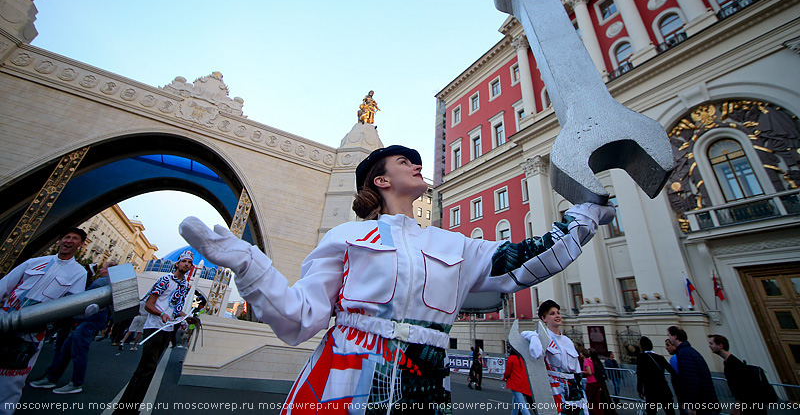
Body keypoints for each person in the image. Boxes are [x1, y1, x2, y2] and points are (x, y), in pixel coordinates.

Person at [179, 145, 615, 414]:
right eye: (406, 161)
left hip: (427, 385)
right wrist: (248, 264)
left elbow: (525, 259)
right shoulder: (346, 236)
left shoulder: (454, 244)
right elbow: (298, 319)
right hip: (345, 382)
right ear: (382, 179)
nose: (418, 165)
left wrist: (585, 216)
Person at [0, 228, 88, 414]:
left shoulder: (79, 272)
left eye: (74, 238)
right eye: (66, 236)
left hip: (30, 334)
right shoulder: (36, 262)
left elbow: (72, 303)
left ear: (80, 245)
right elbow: (5, 285)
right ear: (60, 240)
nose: (69, 240)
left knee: (12, 380)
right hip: (4, 320)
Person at [112, 251, 192, 415]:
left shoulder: (184, 286)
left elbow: (176, 310)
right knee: (146, 368)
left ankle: (133, 404)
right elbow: (149, 305)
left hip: (167, 330)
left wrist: (187, 318)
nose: (186, 265)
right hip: (154, 328)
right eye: (183, 261)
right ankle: (127, 408)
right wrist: (161, 314)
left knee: (150, 368)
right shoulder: (165, 280)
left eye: (189, 263)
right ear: (177, 264)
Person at [29, 261, 118, 394]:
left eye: (103, 268)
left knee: (79, 351)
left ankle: (76, 383)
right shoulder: (108, 283)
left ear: (108, 270)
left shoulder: (100, 283)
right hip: (94, 319)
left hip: (91, 320)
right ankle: (51, 378)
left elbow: (83, 300)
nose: (100, 270)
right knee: (66, 349)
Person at [522, 300, 588, 415]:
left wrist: (582, 395)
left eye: (558, 313)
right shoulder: (541, 338)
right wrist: (533, 336)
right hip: (555, 390)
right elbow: (524, 337)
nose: (557, 316)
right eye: (552, 314)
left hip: (573, 389)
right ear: (544, 318)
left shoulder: (567, 341)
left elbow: (577, 369)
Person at [707, 334, 777, 415]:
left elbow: (744, 387)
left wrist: (737, 407)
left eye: (711, 344)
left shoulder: (733, 363)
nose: (709, 346)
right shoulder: (730, 361)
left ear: (720, 345)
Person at [667, 326, 718, 415]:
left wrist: (692, 405)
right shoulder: (689, 351)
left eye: (669, 335)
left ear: (675, 337)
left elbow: (690, 380)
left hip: (701, 404)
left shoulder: (684, 353)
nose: (668, 338)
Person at [636, 336, 676, 415]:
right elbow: (671, 370)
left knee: (651, 412)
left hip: (651, 390)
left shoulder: (641, 358)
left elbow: (640, 375)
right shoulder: (660, 357)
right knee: (670, 412)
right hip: (664, 388)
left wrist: (640, 390)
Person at [503, 346, 532, 415]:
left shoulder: (511, 358)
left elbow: (507, 372)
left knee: (522, 406)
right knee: (516, 404)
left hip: (515, 384)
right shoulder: (523, 358)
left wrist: (504, 377)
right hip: (524, 383)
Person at [583, 349, 604, 415]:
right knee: (596, 400)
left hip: (590, 382)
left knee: (590, 400)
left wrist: (580, 371)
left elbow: (589, 372)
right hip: (595, 381)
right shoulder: (591, 360)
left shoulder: (586, 361)